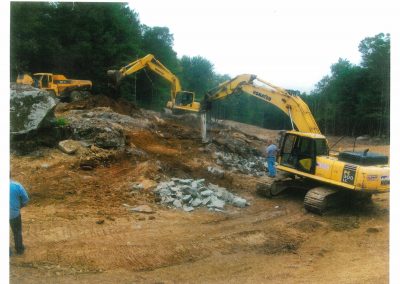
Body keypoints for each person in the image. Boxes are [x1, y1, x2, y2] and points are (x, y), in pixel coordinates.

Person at [10, 179, 30, 255]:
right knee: (17, 232)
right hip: (14, 214)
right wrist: (19, 207)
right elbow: (25, 199)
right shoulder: (17, 186)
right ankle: (19, 249)